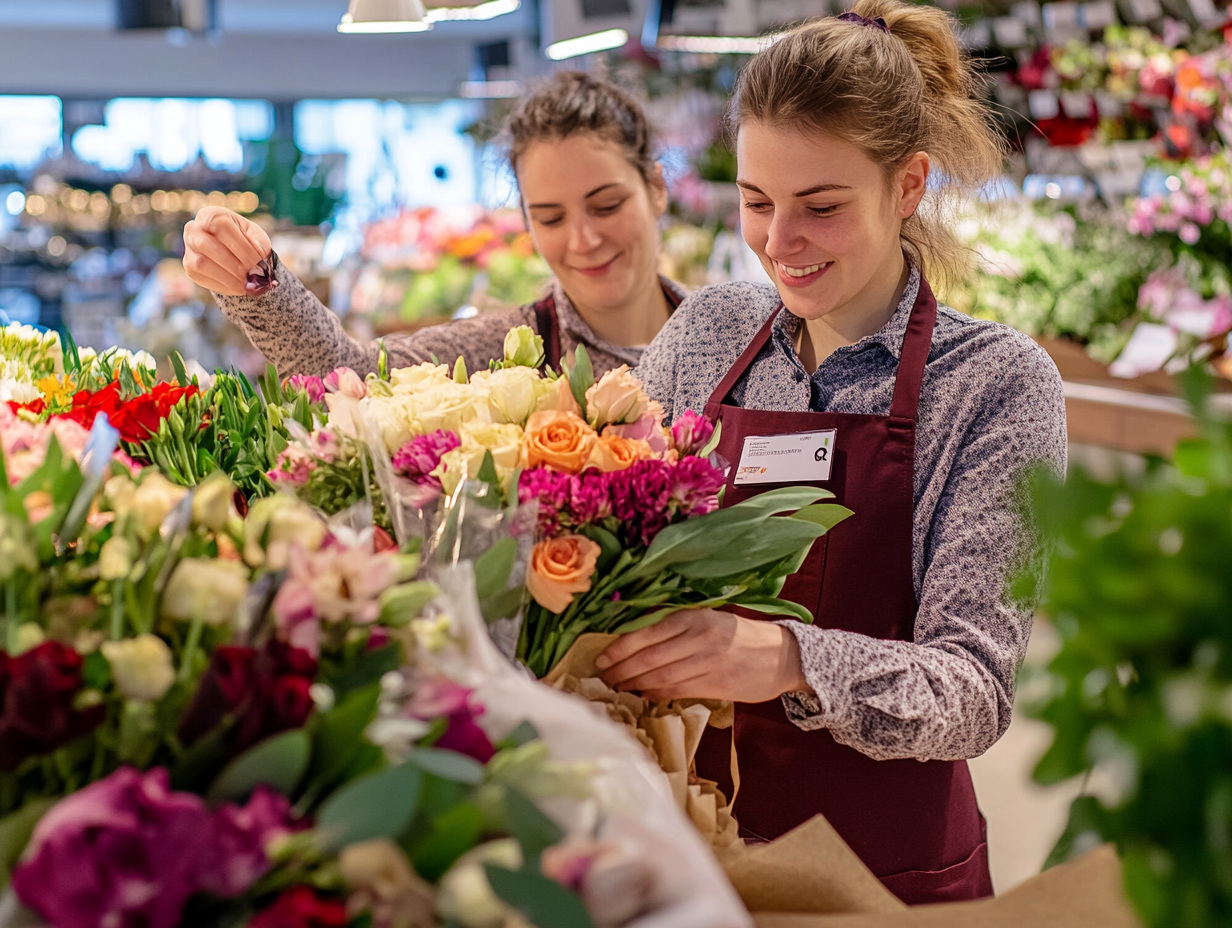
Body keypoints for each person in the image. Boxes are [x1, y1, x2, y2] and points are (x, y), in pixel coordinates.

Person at [596, 0, 1067, 906]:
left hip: (884, 884)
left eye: (820, 207)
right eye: (756, 202)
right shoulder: (706, 336)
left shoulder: (994, 387)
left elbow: (972, 692)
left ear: (910, 185)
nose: (779, 244)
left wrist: (785, 660)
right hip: (692, 857)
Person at [181, 72, 683, 378]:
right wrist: (257, 285)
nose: (584, 240)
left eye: (607, 206)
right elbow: (348, 374)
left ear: (655, 189)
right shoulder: (506, 354)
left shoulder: (737, 334)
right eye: (550, 217)